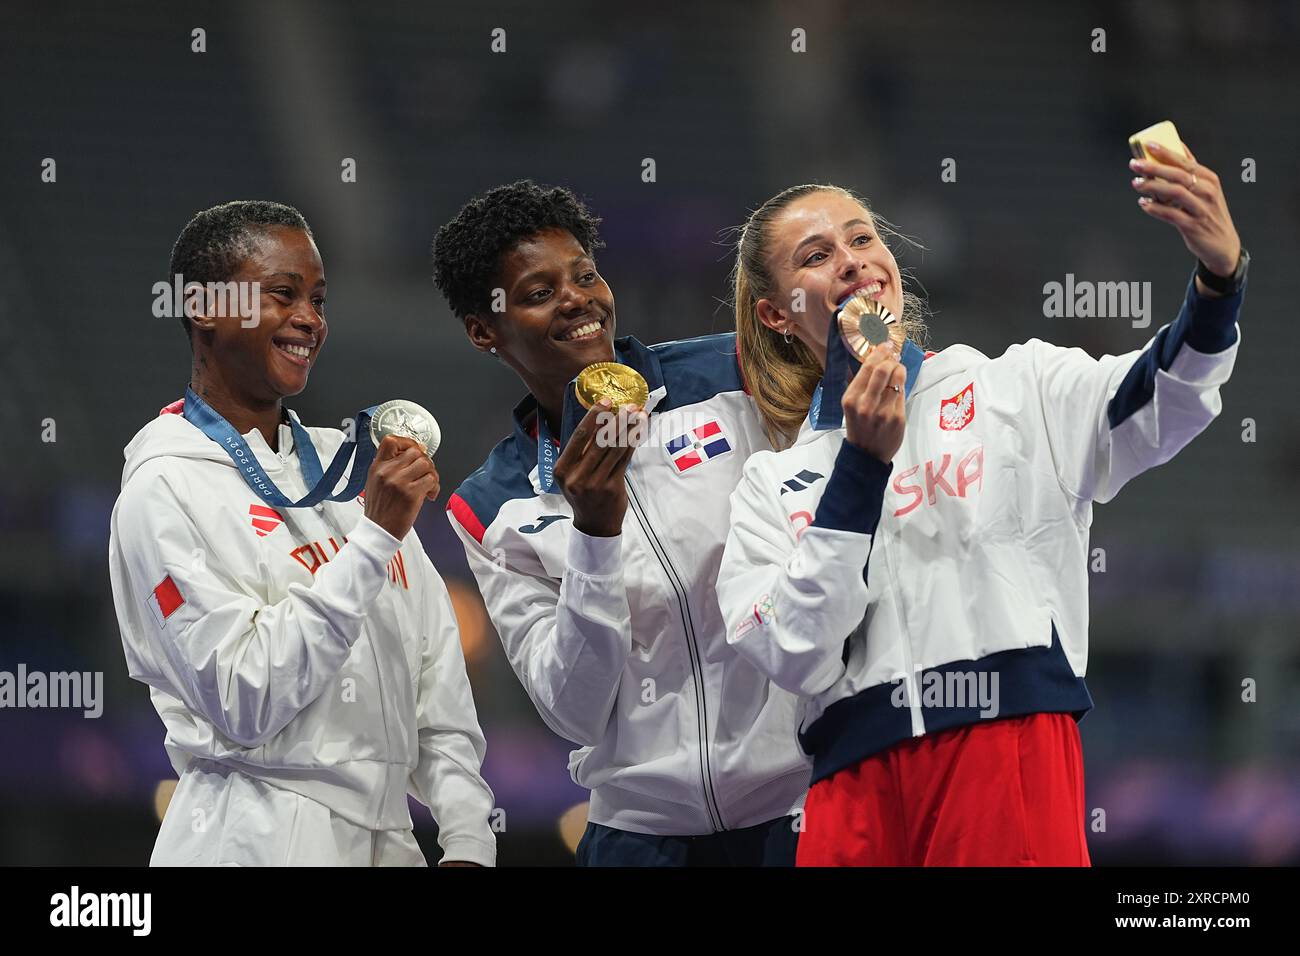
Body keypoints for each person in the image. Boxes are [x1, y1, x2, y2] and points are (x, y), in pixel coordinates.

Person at [716, 141, 1246, 865]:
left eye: (863, 238)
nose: (851, 260)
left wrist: (1220, 281)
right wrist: (859, 468)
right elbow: (796, 653)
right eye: (816, 255)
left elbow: (1162, 398)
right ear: (777, 315)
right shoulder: (769, 486)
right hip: (849, 785)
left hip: (1006, 747)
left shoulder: (1015, 388)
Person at [109, 200, 496, 866]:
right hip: (251, 833)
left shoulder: (350, 472)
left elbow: (437, 680)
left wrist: (467, 839)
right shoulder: (164, 490)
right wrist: (372, 540)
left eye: (317, 299)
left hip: (390, 842)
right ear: (203, 306)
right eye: (282, 294)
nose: (310, 319)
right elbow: (245, 698)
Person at [433, 181, 810, 865]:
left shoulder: (736, 373)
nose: (578, 298)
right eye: (540, 292)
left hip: (798, 814)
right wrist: (595, 537)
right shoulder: (491, 506)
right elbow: (574, 709)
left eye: (584, 275)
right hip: (637, 840)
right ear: (484, 329)